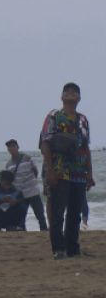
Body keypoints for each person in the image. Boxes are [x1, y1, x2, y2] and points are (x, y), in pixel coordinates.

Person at [40, 82, 95, 259]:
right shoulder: (54, 116)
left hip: (78, 172)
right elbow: (45, 143)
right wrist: (50, 171)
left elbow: (86, 147)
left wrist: (89, 174)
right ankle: (59, 249)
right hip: (59, 170)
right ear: (62, 96)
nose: (71, 94)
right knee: (57, 212)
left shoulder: (83, 119)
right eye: (67, 91)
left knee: (75, 213)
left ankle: (72, 248)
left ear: (79, 98)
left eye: (74, 92)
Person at [4, 139, 47, 231]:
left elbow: (35, 171)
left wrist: (32, 182)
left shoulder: (27, 158)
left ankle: (44, 229)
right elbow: (9, 180)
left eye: (13, 146)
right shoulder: (8, 165)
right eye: (9, 147)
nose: (11, 148)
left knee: (39, 213)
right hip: (20, 194)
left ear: (17, 147)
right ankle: (22, 231)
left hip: (32, 191)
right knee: (21, 215)